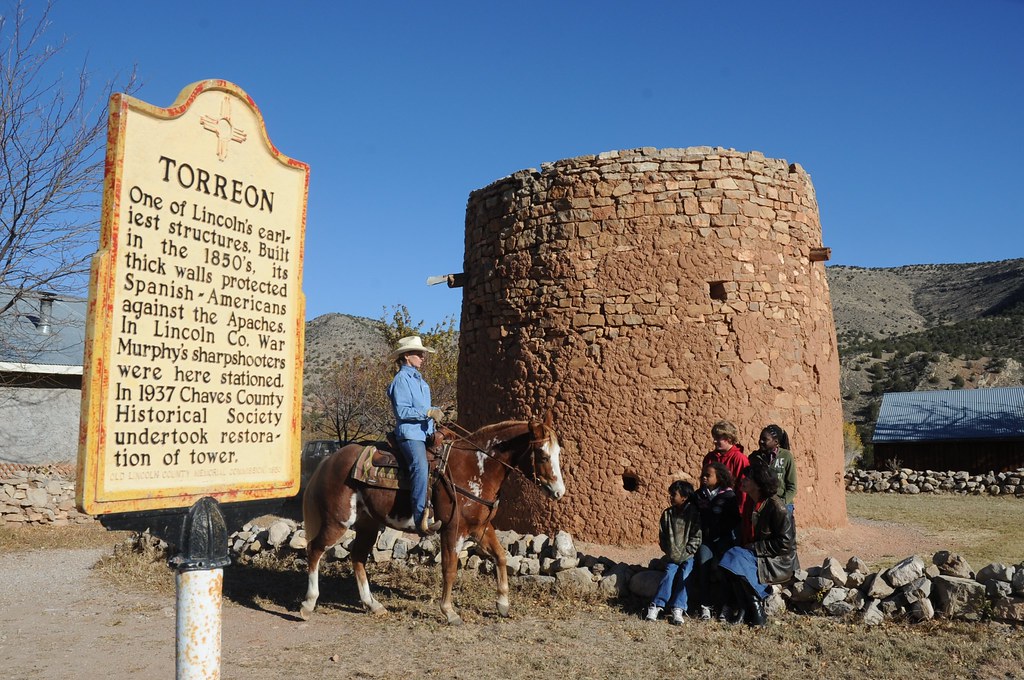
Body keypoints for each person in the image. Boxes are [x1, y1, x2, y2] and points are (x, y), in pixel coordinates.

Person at [717, 462, 797, 626]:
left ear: (759, 483)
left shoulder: (777, 507)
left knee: (734, 556)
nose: (743, 480)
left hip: (777, 560)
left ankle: (755, 608)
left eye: (748, 478)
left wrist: (753, 548)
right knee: (731, 561)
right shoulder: (751, 503)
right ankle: (747, 609)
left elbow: (785, 545)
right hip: (755, 555)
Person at [387, 335, 446, 535]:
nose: (423, 356)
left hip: (425, 433)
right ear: (406, 356)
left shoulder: (421, 381)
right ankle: (420, 519)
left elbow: (424, 407)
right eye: (418, 353)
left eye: (422, 353)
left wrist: (438, 410)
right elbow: (402, 412)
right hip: (410, 435)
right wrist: (428, 413)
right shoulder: (401, 380)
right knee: (420, 467)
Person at [645, 481, 702, 625]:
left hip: (688, 556)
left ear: (684, 497)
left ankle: (678, 608)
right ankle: (657, 605)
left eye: (674, 494)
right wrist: (670, 552)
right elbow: (663, 536)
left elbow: (697, 537)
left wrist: (687, 552)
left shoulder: (694, 514)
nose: (670, 497)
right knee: (669, 573)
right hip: (672, 557)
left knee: (685, 574)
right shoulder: (667, 514)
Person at [692, 461, 740, 621]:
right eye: (703, 475)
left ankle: (726, 606)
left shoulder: (728, 496)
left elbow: (734, 520)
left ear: (719, 477)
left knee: (724, 567)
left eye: (708, 475)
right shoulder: (699, 495)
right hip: (706, 540)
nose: (704, 478)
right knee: (703, 563)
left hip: (723, 539)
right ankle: (705, 605)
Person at [750, 424, 797, 514]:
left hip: (783, 505)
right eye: (760, 438)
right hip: (761, 505)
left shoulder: (786, 456)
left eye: (765, 439)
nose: (761, 441)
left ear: (776, 442)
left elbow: (792, 487)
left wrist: (782, 503)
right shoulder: (754, 458)